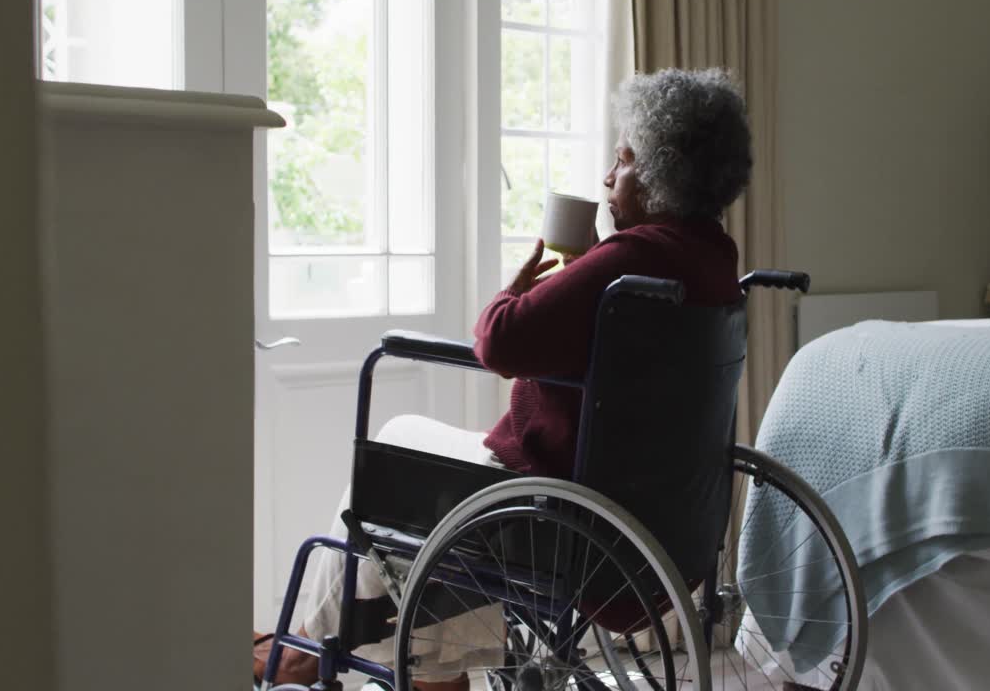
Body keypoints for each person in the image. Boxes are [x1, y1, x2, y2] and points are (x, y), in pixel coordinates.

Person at [254, 67, 752, 688]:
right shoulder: (715, 261)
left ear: (658, 176)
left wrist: (514, 288)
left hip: (561, 504)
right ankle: (422, 662)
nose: (606, 177)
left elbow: (499, 341)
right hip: (659, 518)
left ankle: (306, 647)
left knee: (392, 450)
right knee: (431, 526)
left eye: (621, 160)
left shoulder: (630, 258)